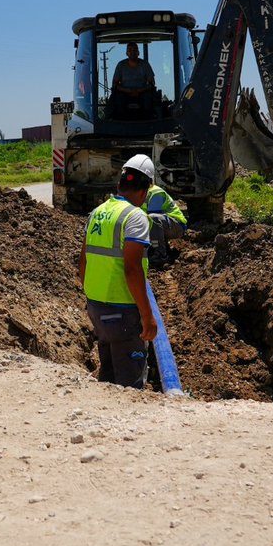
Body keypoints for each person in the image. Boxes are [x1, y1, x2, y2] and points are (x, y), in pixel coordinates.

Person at [77, 162, 158, 389]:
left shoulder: (97, 212)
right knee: (129, 384)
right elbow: (132, 269)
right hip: (123, 310)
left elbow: (83, 261)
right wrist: (147, 314)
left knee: (109, 373)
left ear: (119, 185)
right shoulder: (135, 217)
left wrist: (92, 297)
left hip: (96, 306)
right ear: (144, 191)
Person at [123, 154, 187, 267]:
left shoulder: (155, 193)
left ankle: (160, 255)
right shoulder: (134, 194)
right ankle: (156, 247)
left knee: (152, 218)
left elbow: (148, 220)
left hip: (176, 226)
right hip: (163, 225)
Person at [110, 42, 156, 120]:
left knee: (149, 98)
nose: (132, 52)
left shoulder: (145, 64)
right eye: (130, 50)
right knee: (116, 99)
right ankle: (117, 119)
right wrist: (129, 91)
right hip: (124, 93)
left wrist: (138, 91)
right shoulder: (121, 65)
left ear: (138, 52)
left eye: (134, 50)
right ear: (126, 53)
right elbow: (115, 85)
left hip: (142, 92)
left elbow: (151, 83)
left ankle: (149, 119)